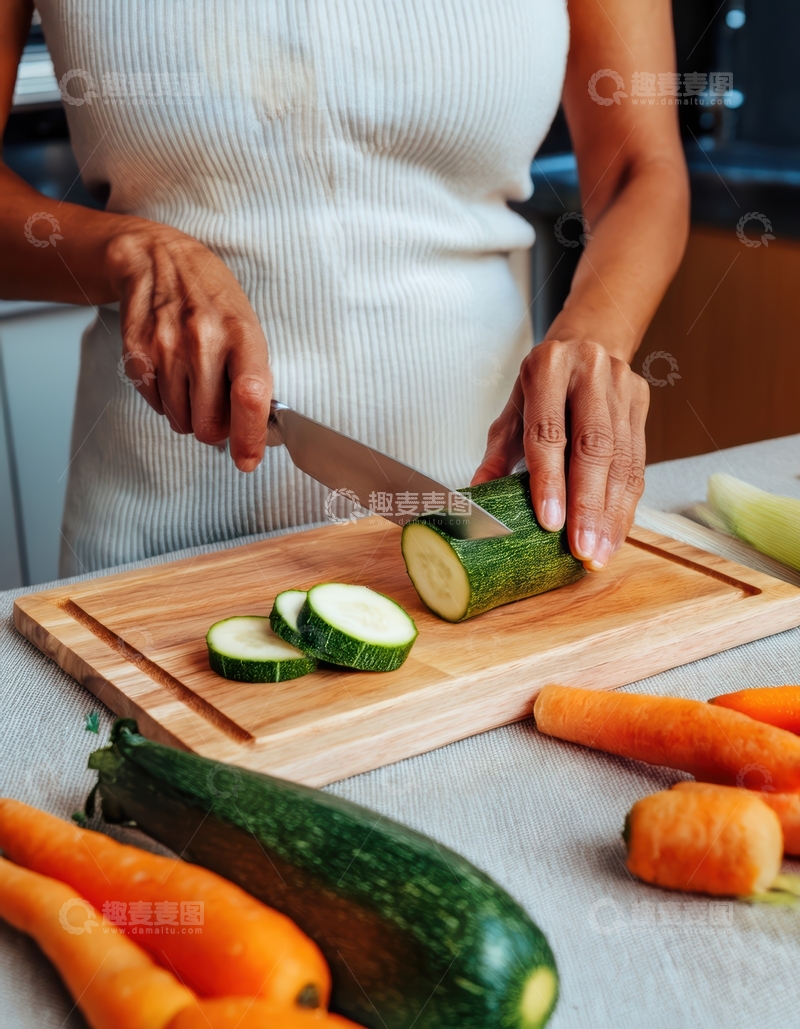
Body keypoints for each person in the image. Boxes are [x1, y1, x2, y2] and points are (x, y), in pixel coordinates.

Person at [0, 0, 688, 576]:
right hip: (157, 546)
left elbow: (641, 167)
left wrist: (590, 337)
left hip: (480, 520)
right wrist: (128, 250)